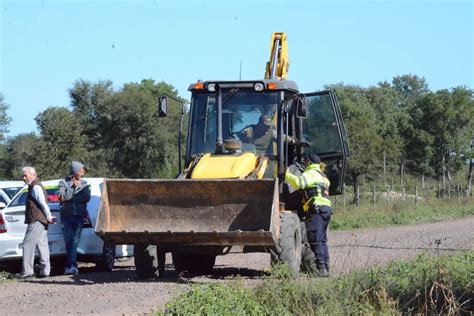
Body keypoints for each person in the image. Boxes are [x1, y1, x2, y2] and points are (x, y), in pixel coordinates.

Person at [285, 153, 332, 277]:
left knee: (315, 240)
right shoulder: (323, 176)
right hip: (326, 209)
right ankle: (326, 267)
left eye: (305, 161)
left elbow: (298, 183)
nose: (304, 163)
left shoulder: (310, 173)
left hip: (316, 209)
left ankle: (321, 269)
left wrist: (287, 175)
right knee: (322, 240)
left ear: (310, 163)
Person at [17, 166, 55, 278]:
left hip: (36, 220)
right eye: (23, 175)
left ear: (32, 174)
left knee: (27, 245)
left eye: (25, 175)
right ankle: (45, 271)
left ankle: (27, 271)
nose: (23, 177)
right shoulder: (35, 186)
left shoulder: (35, 187)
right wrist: (48, 218)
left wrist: (49, 217)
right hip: (41, 220)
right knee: (42, 245)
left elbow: (43, 203)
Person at [58, 161, 91, 276]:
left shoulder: (85, 184)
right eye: (81, 171)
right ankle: (71, 265)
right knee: (69, 241)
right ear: (75, 171)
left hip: (79, 216)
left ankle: (71, 266)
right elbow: (62, 197)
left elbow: (86, 198)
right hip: (66, 216)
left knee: (75, 241)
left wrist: (70, 199)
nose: (83, 173)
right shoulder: (63, 182)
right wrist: (72, 187)